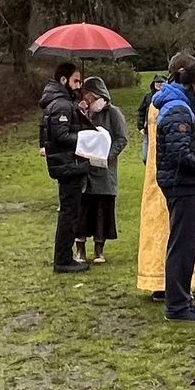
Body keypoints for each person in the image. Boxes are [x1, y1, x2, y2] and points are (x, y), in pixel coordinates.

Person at [138, 53, 195, 302]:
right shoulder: (176, 105)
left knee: (165, 230)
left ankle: (161, 281)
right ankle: (174, 287)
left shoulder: (158, 101)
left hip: (157, 173)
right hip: (174, 174)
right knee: (175, 233)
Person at [152, 66, 195, 323]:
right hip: (182, 185)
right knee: (182, 246)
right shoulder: (178, 110)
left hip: (181, 184)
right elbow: (180, 155)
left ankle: (182, 299)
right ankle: (177, 306)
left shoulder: (177, 105)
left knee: (184, 244)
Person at [39, 60, 92, 274]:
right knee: (69, 213)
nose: (79, 85)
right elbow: (60, 135)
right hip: (68, 165)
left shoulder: (61, 102)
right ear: (64, 80)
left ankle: (65, 256)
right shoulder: (61, 104)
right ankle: (63, 259)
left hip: (66, 164)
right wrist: (86, 136)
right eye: (76, 81)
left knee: (69, 212)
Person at [74, 77, 129, 265]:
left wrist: (106, 156)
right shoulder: (81, 112)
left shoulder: (113, 113)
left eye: (86, 93)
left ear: (95, 94)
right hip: (84, 170)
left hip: (105, 172)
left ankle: (99, 249)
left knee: (101, 212)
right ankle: (79, 249)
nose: (84, 97)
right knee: (82, 210)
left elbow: (122, 138)